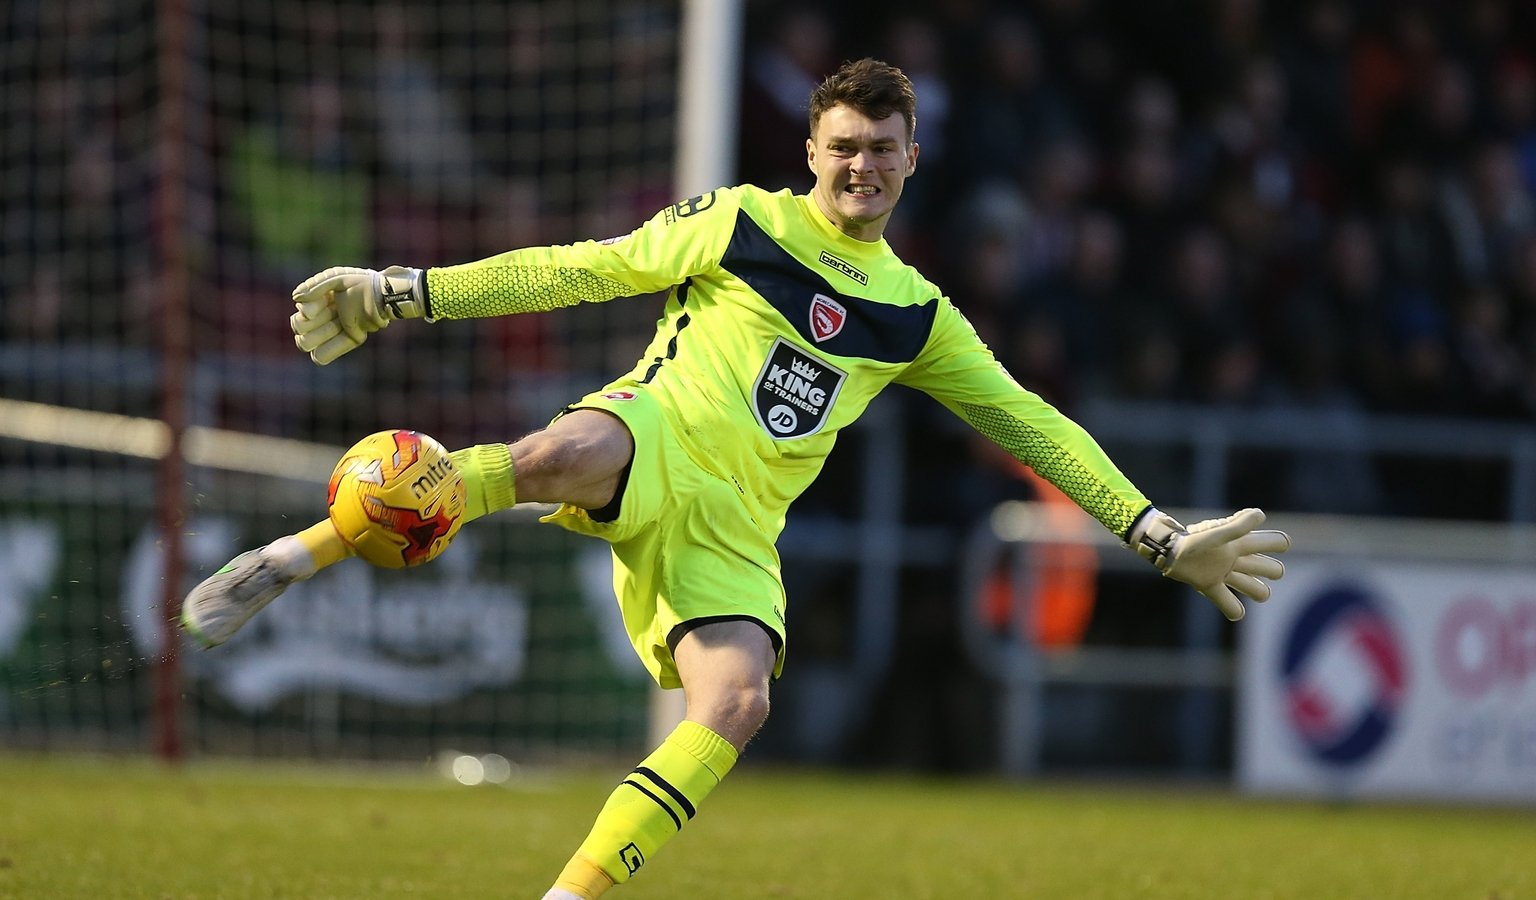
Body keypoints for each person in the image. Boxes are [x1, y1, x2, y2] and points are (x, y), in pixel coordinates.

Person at [182, 59, 1291, 899]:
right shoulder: (741, 221)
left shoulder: (916, 315)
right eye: (844, 145)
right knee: (564, 456)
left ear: (913, 158)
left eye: (883, 148)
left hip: (737, 528)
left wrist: (1155, 533)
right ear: (811, 149)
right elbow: (583, 270)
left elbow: (1032, 425)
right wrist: (407, 290)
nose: (862, 166)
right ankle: (294, 555)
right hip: (650, 430)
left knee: (738, 702)